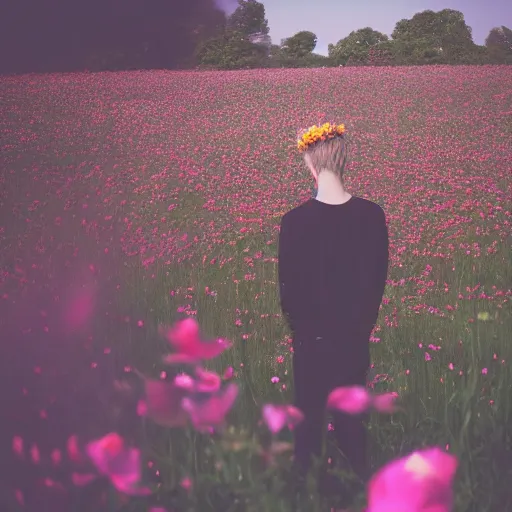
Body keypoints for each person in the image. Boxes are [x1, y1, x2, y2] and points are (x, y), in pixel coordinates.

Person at [278, 123, 389, 497]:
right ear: (344, 161)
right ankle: (361, 494)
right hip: (354, 341)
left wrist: (304, 335)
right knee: (353, 431)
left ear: (310, 165)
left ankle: (304, 498)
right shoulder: (373, 216)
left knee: (307, 432)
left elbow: (288, 294)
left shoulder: (293, 223)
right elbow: (377, 282)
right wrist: (360, 329)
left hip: (311, 344)